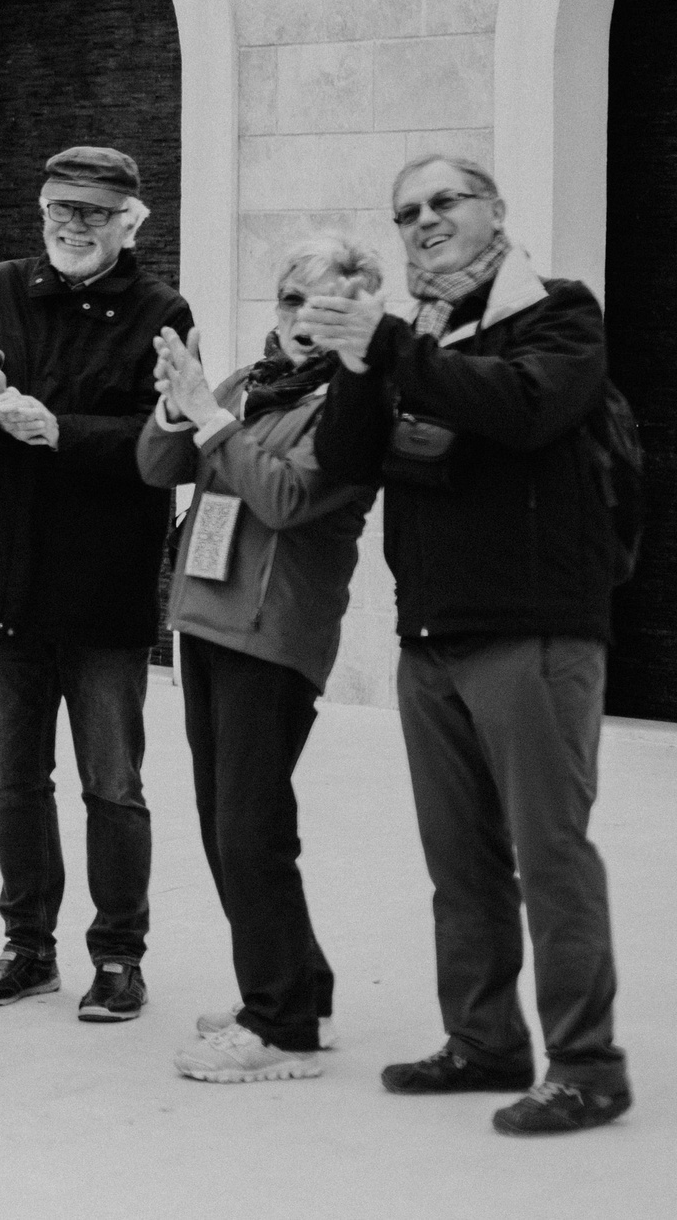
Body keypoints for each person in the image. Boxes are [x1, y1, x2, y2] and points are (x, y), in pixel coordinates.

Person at [305, 154, 634, 1136]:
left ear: (495, 210)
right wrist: (359, 361)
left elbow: (523, 409)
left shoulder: (561, 315)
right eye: (406, 211)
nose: (424, 221)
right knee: (460, 860)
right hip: (431, 638)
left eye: (445, 201)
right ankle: (484, 1041)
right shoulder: (418, 337)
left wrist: (395, 344)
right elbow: (339, 461)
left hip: (533, 632)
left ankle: (586, 1065)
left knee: (549, 853)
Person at [0, 145, 191, 1023]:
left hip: (103, 590)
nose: (72, 227)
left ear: (129, 222)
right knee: (15, 777)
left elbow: (167, 443)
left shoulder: (163, 311)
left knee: (112, 782)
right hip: (0, 582)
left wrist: (58, 431)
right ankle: (27, 947)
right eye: (60, 211)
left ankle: (119, 955)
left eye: (92, 214)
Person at [138, 236, 385, 1083]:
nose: (302, 324)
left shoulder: (353, 406)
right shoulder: (249, 383)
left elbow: (283, 496)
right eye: (290, 302)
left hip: (274, 634)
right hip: (204, 620)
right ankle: (298, 983)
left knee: (249, 830)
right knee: (228, 825)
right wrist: (180, 403)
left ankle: (280, 1024)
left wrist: (212, 418)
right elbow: (156, 465)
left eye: (325, 309)